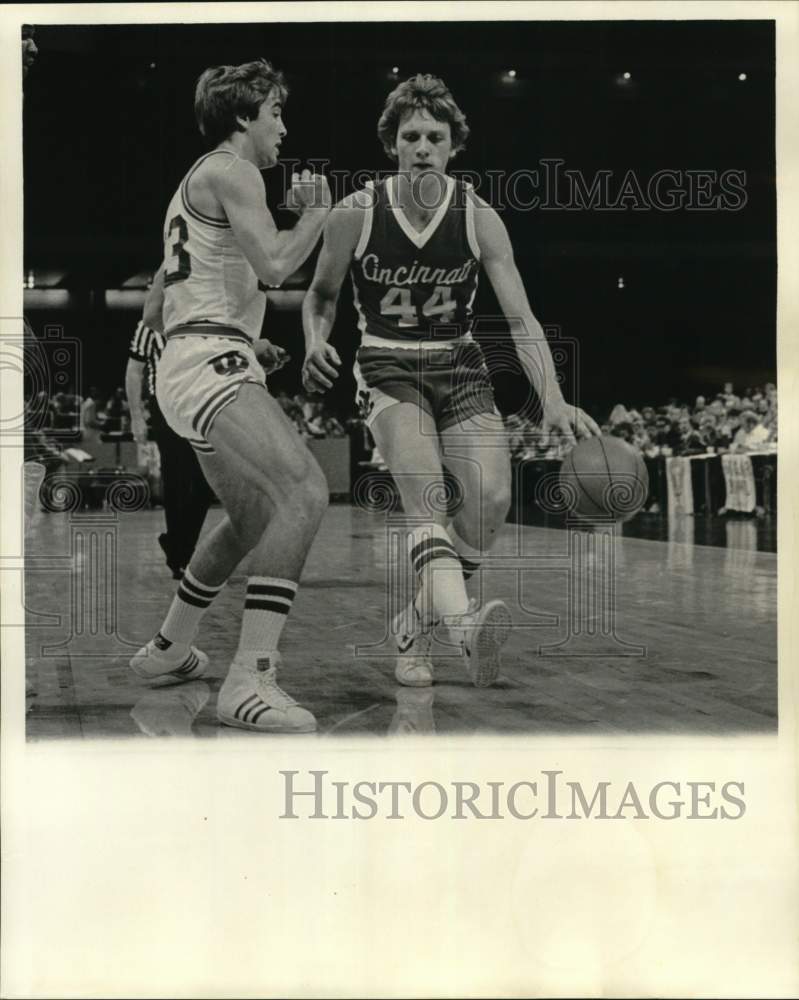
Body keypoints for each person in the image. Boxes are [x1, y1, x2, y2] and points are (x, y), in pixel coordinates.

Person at [302, 74, 599, 689]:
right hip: (387, 363)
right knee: (428, 497)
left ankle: (417, 625)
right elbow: (321, 297)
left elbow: (521, 317)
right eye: (410, 135)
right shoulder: (354, 213)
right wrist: (313, 341)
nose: (422, 146)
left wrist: (553, 397)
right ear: (392, 144)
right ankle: (463, 628)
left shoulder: (478, 216)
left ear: (453, 146)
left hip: (459, 362)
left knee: (490, 503)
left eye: (434, 136)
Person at [129, 58, 331, 733]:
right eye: (274, 111)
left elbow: (158, 305)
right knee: (303, 491)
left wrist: (242, 337)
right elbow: (277, 264)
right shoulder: (234, 170)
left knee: (248, 521)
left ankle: (168, 648)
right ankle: (249, 679)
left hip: (187, 363)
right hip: (208, 362)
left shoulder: (194, 186)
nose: (283, 125)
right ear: (243, 116)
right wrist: (317, 216)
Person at [125, 278, 215, 580]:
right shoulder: (148, 327)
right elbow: (134, 371)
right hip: (165, 406)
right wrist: (137, 416)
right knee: (176, 480)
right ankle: (181, 555)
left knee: (205, 481)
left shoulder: (196, 319)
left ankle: (177, 543)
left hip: (198, 403)